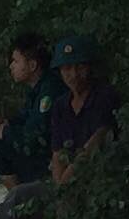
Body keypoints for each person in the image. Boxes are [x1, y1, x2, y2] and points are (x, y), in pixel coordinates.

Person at [0, 31, 63, 183]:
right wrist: (1, 124)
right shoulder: (37, 90)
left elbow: (37, 135)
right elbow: (23, 119)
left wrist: (4, 132)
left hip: (51, 159)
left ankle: (21, 201)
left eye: (15, 61)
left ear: (32, 65)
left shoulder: (49, 91)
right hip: (42, 152)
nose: (11, 66)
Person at [45, 34, 122, 183]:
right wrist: (58, 188)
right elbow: (57, 153)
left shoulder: (104, 96)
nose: (74, 74)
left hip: (99, 177)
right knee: (19, 194)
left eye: (80, 67)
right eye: (67, 68)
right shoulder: (60, 106)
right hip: (65, 181)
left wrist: (64, 183)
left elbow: (94, 144)